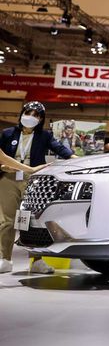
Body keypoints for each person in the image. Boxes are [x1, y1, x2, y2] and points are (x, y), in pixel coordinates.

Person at [0, 102, 72, 274]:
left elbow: (61, 149)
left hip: (33, 181)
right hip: (8, 179)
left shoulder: (44, 136)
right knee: (6, 221)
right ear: (22, 113)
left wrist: (79, 158)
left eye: (36, 115)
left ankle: (37, 261)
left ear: (41, 119)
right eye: (28, 113)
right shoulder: (8, 133)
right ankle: (4, 258)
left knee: (33, 220)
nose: (31, 117)